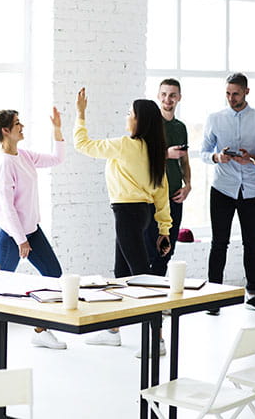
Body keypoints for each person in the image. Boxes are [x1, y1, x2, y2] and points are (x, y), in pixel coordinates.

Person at [74, 88, 171, 348]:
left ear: (139, 120)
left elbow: (83, 145)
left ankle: (156, 337)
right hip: (143, 215)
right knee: (121, 273)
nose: (126, 117)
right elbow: (162, 193)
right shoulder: (154, 150)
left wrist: (81, 114)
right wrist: (164, 229)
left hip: (127, 214)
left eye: (130, 113)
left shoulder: (124, 145)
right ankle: (112, 330)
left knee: (140, 276)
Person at [0, 107, 67, 350]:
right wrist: (21, 239)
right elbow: (7, 208)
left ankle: (41, 331)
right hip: (12, 235)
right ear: (6, 131)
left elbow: (57, 159)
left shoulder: (24, 156)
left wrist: (57, 130)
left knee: (53, 274)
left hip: (31, 230)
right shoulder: (4, 164)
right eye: (17, 123)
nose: (22, 127)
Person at [200, 72, 255, 315]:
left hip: (252, 190)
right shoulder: (214, 118)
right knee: (219, 243)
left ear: (246, 92)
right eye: (227, 93)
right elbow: (204, 152)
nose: (231, 98)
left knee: (252, 243)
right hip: (222, 188)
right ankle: (214, 298)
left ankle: (253, 294)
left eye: (235, 93)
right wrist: (217, 157)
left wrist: (252, 157)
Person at [145, 79, 191, 275]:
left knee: (167, 250)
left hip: (175, 195)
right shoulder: (150, 124)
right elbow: (141, 156)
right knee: (150, 250)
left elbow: (185, 161)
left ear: (179, 98)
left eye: (172, 95)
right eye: (164, 94)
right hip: (153, 196)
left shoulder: (181, 127)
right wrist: (166, 153)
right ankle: (148, 299)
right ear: (158, 95)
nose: (168, 99)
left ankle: (158, 296)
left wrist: (188, 185)